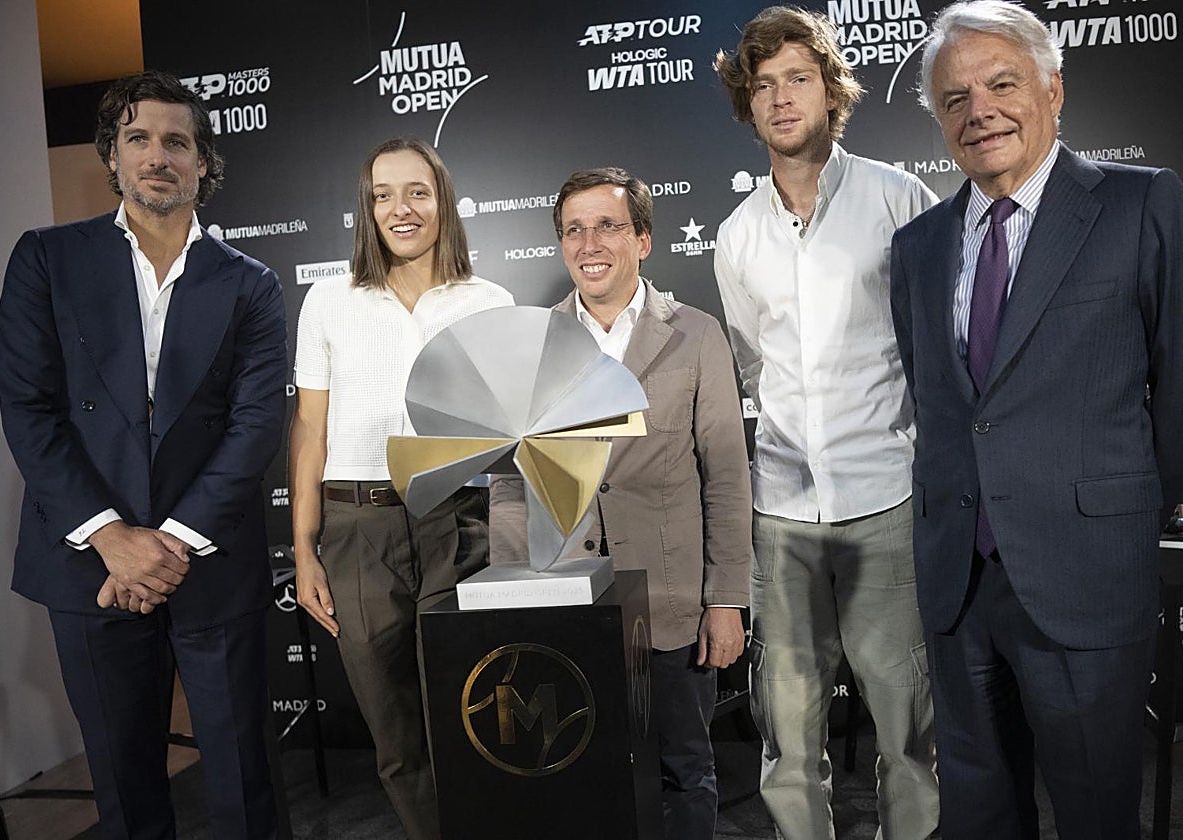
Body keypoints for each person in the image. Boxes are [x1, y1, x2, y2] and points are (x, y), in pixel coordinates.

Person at [890, 1, 1183, 836]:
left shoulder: (1140, 203)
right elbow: (942, 404)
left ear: (1053, 90)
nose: (979, 111)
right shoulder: (917, 246)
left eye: (1002, 85)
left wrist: (1130, 512)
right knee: (979, 813)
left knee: (1095, 812)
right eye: (955, 99)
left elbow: (1176, 382)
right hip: (959, 582)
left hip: (1087, 570)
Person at [0, 70, 286, 838]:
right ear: (113, 155)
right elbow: (29, 410)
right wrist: (113, 539)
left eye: (176, 142)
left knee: (245, 782)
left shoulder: (250, 284)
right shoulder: (46, 259)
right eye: (139, 139)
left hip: (210, 559)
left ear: (202, 161)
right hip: (88, 562)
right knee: (124, 790)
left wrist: (169, 544)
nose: (158, 156)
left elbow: (257, 424)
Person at [712, 8, 940, 838]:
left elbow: (935, 345)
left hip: (887, 501)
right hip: (780, 514)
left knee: (907, 729)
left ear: (831, 91)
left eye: (798, 79)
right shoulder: (737, 236)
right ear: (748, 104)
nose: (780, 98)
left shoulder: (898, 197)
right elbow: (752, 361)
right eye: (763, 85)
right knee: (786, 736)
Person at [490, 167, 752, 840]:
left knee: (686, 771)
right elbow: (510, 479)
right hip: (564, 605)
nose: (590, 244)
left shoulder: (696, 335)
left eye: (608, 226)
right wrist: (517, 593)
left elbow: (726, 477)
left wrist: (726, 599)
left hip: (671, 604)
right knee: (581, 775)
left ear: (642, 240)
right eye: (573, 230)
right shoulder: (531, 345)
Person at [289, 137, 513, 839]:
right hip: (360, 530)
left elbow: (510, 429)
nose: (401, 208)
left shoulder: (490, 301)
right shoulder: (329, 300)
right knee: (394, 729)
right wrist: (303, 550)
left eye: (417, 191)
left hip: (459, 523)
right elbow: (310, 429)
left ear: (443, 200)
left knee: (471, 713)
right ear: (367, 208)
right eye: (382, 195)